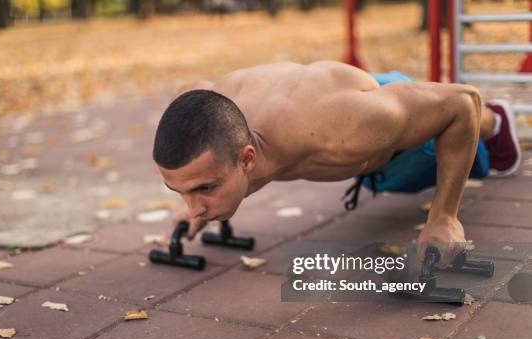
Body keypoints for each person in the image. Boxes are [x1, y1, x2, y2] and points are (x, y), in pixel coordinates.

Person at [152, 61, 521, 268]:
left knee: (468, 124)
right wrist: (195, 203)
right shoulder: (205, 115)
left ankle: (499, 121)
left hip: (369, 115)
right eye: (183, 191)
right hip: (323, 105)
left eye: (204, 189)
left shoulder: (347, 126)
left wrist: (444, 217)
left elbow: (461, 102)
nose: (194, 205)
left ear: (247, 158)